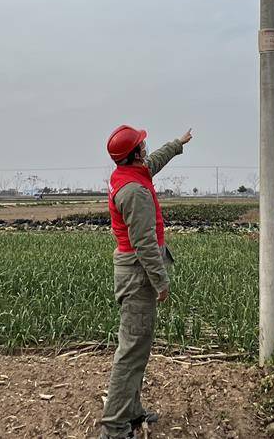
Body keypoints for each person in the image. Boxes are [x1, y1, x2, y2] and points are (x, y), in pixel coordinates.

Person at [98, 124, 192, 439]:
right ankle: (113, 427)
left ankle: (131, 410)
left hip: (135, 272)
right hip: (138, 275)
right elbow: (145, 244)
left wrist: (178, 143)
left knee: (139, 347)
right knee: (131, 351)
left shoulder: (130, 174)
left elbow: (155, 163)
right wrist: (161, 282)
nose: (146, 149)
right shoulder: (134, 192)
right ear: (135, 153)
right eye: (143, 145)